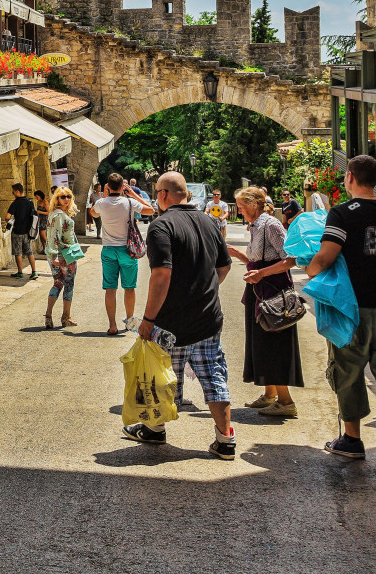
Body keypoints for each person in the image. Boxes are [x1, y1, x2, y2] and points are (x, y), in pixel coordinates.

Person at [307, 155, 376, 471]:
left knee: (348, 370)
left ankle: (352, 440)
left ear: (350, 176)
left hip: (352, 306)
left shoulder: (341, 214)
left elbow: (327, 256)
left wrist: (310, 269)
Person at [125, 171, 237, 461]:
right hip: (208, 319)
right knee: (213, 376)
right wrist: (204, 291)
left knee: (161, 377)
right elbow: (224, 267)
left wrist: (148, 320)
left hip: (170, 323)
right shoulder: (210, 222)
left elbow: (161, 274)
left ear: (162, 195)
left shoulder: (161, 227)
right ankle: (225, 438)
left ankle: (154, 429)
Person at [230, 186, 303, 417]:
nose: (240, 212)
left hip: (273, 292)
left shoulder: (270, 224)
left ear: (253, 204)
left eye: (241, 207)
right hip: (260, 290)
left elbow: (290, 260)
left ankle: (286, 401)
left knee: (273, 343)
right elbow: (256, 261)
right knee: (261, 341)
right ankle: (270, 394)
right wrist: (238, 254)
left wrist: (261, 274)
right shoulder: (255, 225)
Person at [92, 174, 155, 336]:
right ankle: (129, 322)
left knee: (110, 289)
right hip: (128, 250)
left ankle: (112, 325)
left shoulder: (101, 203)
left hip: (108, 250)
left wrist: (104, 195)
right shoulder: (129, 202)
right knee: (129, 288)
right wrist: (133, 194)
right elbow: (151, 210)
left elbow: (93, 213)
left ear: (108, 186)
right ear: (122, 187)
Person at [42, 186, 83, 329]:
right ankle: (66, 317)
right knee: (68, 284)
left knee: (58, 283)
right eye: (62, 197)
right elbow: (54, 236)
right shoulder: (59, 215)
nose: (66, 199)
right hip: (64, 255)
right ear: (57, 198)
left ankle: (48, 315)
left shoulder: (55, 213)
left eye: (69, 196)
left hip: (58, 254)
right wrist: (55, 255)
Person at [6, 184, 38, 280]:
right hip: (28, 232)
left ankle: (20, 272)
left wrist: (12, 220)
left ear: (17, 191)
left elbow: (7, 217)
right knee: (29, 252)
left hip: (17, 231)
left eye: (13, 192)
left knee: (18, 253)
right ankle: (34, 272)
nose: (13, 194)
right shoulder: (30, 202)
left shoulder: (15, 203)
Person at [33, 189, 51, 255]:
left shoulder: (45, 202)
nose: (36, 198)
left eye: (37, 196)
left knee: (43, 235)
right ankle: (44, 249)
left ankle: (50, 249)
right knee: (40, 235)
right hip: (39, 220)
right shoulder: (38, 202)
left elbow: (48, 212)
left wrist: (40, 212)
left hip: (44, 220)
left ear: (40, 196)